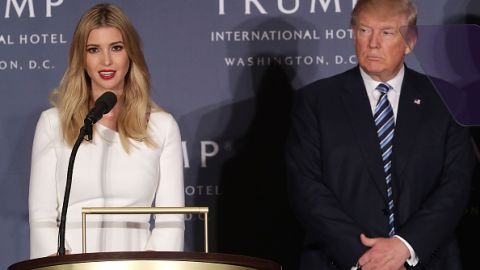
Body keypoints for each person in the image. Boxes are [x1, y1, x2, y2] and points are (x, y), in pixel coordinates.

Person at [286, 0, 474, 269]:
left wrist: (404, 247)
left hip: (427, 261)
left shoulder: (446, 99)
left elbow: (455, 185)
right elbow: (305, 188)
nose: (372, 43)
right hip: (339, 262)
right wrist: (365, 257)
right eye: (364, 30)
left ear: (410, 41)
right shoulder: (316, 102)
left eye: (386, 32)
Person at [28, 3, 184, 258]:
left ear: (131, 53)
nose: (107, 60)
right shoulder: (53, 123)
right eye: (94, 50)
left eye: (116, 47)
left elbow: (171, 221)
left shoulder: (162, 126)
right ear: (81, 57)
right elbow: (41, 217)